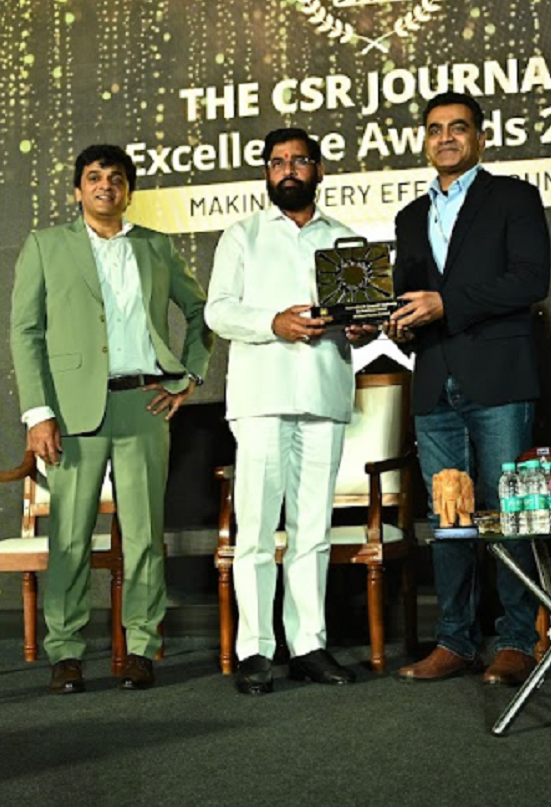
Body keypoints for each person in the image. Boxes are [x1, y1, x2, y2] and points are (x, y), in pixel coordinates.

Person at [10, 144, 212, 694]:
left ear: (129, 191)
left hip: (142, 404)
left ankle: (142, 647)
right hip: (71, 410)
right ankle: (66, 652)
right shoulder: (46, 246)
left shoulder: (155, 246)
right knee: (70, 539)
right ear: (78, 190)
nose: (105, 185)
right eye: (95, 177)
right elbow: (25, 332)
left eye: (117, 177)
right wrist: (39, 413)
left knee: (144, 535)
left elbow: (201, 311)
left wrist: (188, 377)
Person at [205, 128, 380, 695]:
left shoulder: (346, 239)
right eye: (277, 161)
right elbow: (217, 312)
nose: (288, 170)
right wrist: (273, 323)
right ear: (266, 173)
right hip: (261, 398)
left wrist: (363, 327)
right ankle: (256, 649)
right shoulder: (243, 235)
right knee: (257, 529)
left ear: (318, 170)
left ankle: (308, 644)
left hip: (324, 394)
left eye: (299, 160)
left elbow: (363, 316)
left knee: (313, 530)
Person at [387, 92, 551, 687]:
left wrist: (446, 304)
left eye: (458, 128)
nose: (446, 138)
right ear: (424, 140)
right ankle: (454, 640)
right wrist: (392, 321)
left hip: (499, 377)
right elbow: (408, 296)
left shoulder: (513, 197)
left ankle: (516, 639)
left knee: (510, 511)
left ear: (481, 137)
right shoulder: (410, 216)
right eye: (435, 129)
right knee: (447, 516)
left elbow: (530, 281)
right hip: (434, 379)